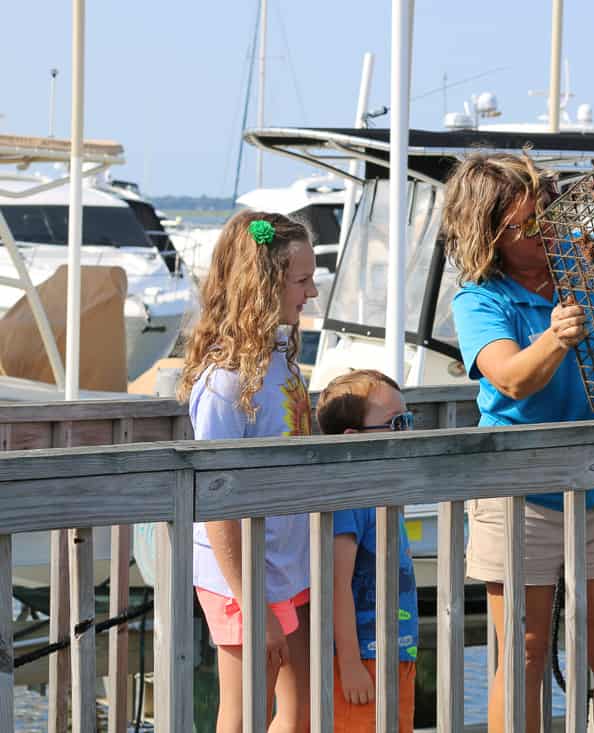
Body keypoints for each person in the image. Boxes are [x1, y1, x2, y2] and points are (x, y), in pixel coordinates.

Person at [443, 152, 594, 732]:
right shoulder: (479, 299)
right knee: (524, 653)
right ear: (488, 234)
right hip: (517, 493)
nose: (543, 230)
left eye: (546, 213)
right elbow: (513, 377)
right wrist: (556, 336)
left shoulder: (585, 261)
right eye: (525, 225)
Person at [179, 211, 318, 733]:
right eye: (301, 281)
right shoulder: (223, 383)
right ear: (263, 285)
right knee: (246, 712)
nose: (312, 292)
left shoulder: (281, 356)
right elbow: (216, 504)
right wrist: (250, 600)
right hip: (243, 575)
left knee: (298, 709)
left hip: (288, 564)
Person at [315, 369, 419, 733]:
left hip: (396, 654)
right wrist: (350, 663)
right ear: (353, 438)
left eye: (409, 421)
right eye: (395, 424)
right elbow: (336, 584)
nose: (407, 432)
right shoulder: (350, 501)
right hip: (364, 658)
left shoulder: (383, 493)